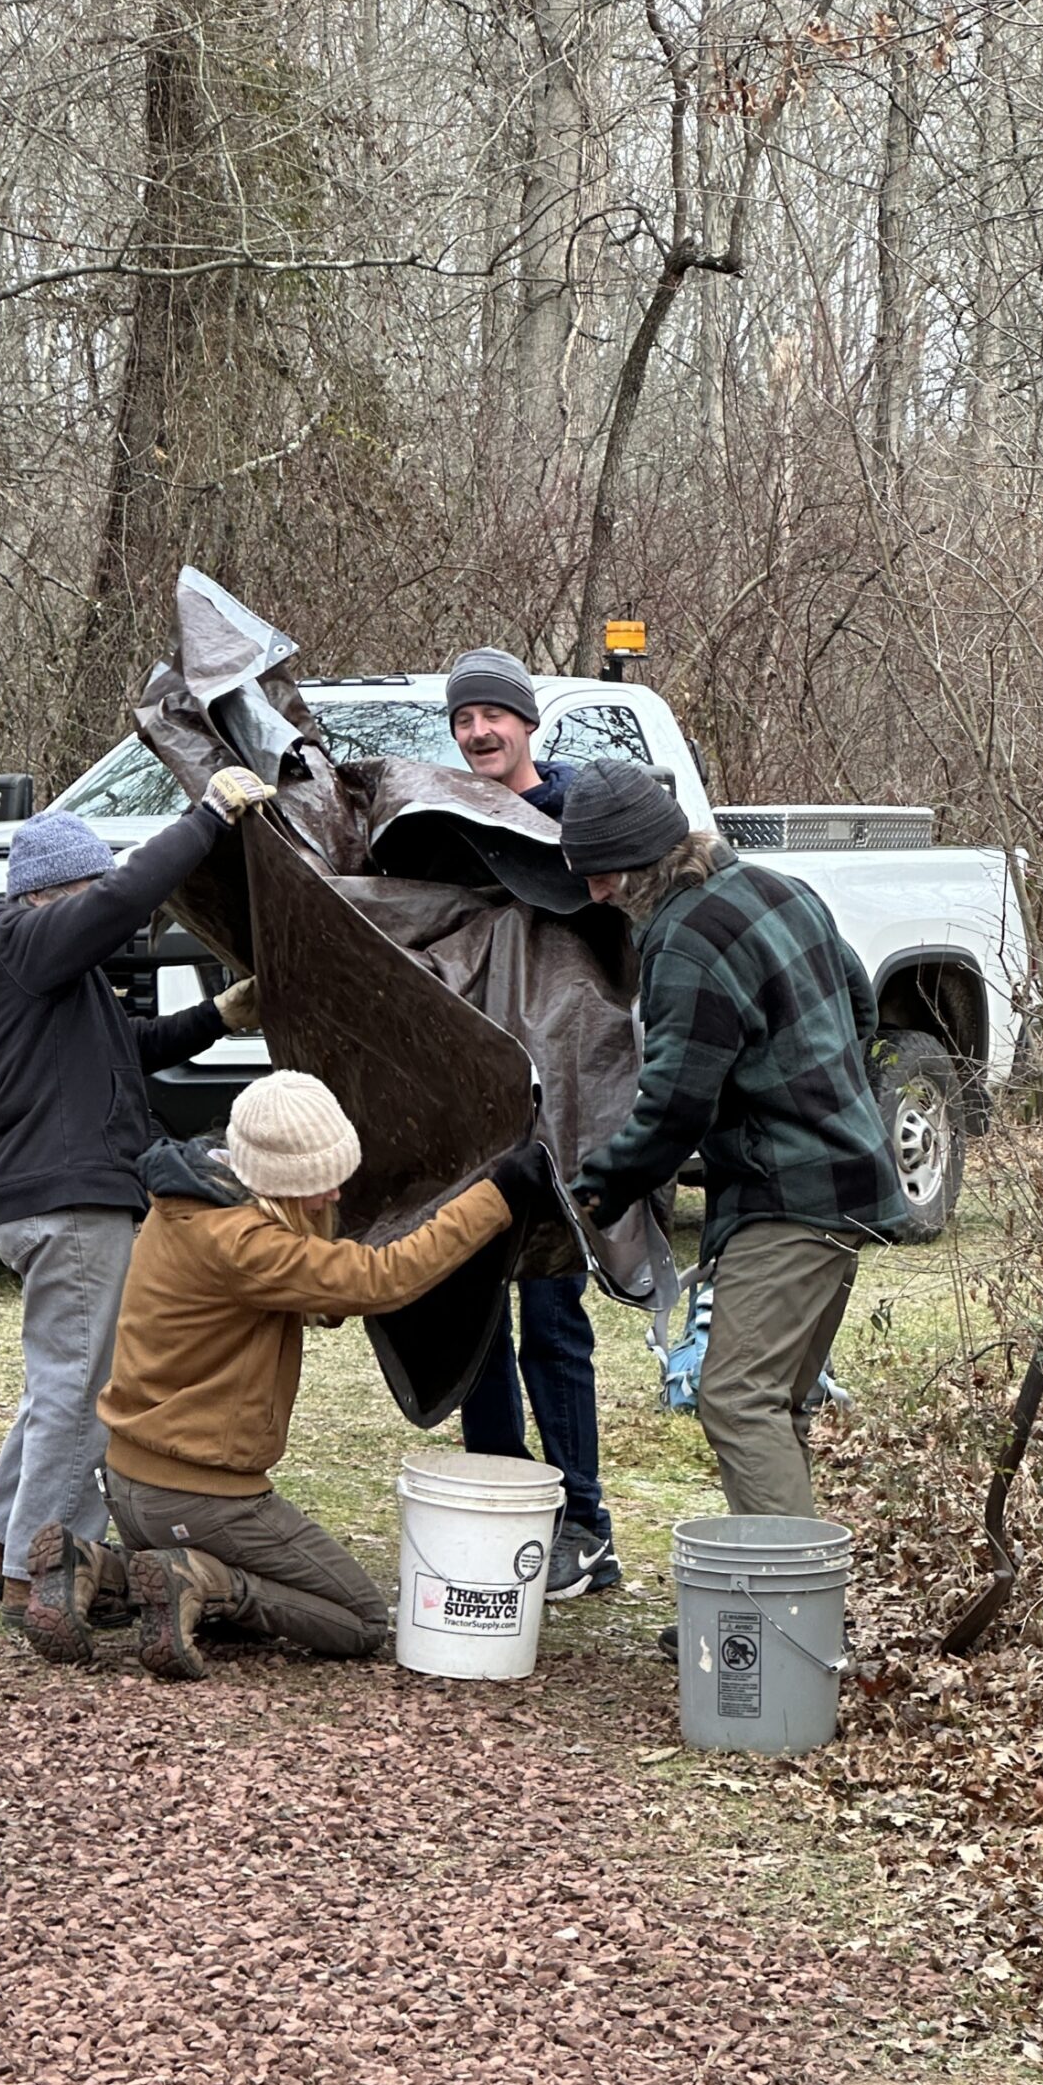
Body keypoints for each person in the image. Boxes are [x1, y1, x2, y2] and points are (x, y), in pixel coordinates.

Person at [19, 1070, 545, 1676]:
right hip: (200, 1496)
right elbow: (384, 1278)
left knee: (277, 1592)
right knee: (360, 1619)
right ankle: (203, 1579)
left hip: (133, 1485)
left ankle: (96, 1567)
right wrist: (496, 1196)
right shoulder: (243, 1242)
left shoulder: (192, 1199)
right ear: (277, 1181)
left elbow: (295, 1290)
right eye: (317, 1186)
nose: (333, 1198)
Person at [558, 760, 908, 1655]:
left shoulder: (683, 942)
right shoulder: (779, 889)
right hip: (847, 1183)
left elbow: (676, 1101)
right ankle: (756, 1600)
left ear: (640, 863)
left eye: (600, 871)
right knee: (776, 1404)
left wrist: (605, 1182)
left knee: (736, 1399)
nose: (596, 891)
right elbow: (862, 1001)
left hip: (789, 1200)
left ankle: (793, 1630)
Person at [0, 773, 274, 1621]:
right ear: (53, 896)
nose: (111, 930)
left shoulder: (28, 973)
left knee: (60, 1383)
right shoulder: (21, 942)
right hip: (70, 1194)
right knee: (86, 1390)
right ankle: (43, 1575)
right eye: (86, 901)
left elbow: (128, 1046)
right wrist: (208, 818)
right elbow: (117, 900)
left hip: (36, 1190)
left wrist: (221, 1017)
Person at [442, 644, 620, 1600]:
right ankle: (504, 1507)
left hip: (566, 1113)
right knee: (475, 1317)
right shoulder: (445, 824)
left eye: (491, 717)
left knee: (553, 1319)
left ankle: (583, 1523)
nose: (477, 733)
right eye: (464, 720)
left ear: (525, 723)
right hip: (473, 1118)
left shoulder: (583, 816)